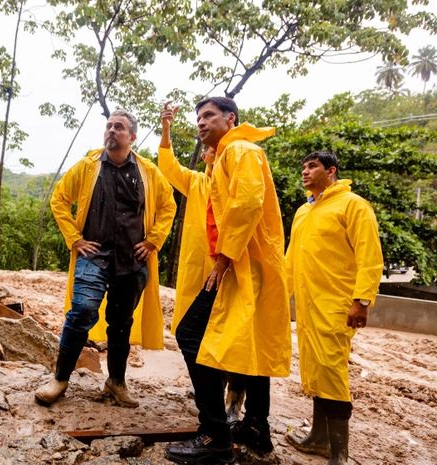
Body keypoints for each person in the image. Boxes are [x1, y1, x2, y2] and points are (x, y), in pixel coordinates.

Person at [161, 97, 291, 465]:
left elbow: (247, 204)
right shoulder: (224, 161)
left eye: (209, 116)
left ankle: (215, 434)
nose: (201, 123)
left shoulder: (240, 151)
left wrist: (224, 258)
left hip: (238, 266)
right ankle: (255, 427)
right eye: (198, 117)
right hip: (242, 266)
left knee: (189, 335)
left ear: (230, 118)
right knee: (246, 345)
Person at [34, 109, 176, 408]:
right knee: (82, 311)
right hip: (93, 255)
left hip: (132, 259)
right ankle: (59, 378)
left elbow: (167, 205)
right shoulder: (87, 166)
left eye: (119, 127)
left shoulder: (148, 171)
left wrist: (153, 240)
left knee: (121, 323)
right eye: (109, 126)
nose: (112, 130)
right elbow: (59, 199)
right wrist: (75, 239)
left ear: (132, 137)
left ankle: (116, 381)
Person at [285, 152, 383, 465]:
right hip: (308, 305)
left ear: (332, 171)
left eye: (312, 166)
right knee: (315, 370)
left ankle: (339, 454)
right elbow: (292, 259)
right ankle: (317, 437)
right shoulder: (303, 211)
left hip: (336, 304)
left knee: (332, 370)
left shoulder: (353, 205)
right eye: (303, 167)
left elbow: (370, 255)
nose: (305, 171)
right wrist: (280, 295)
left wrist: (362, 300)